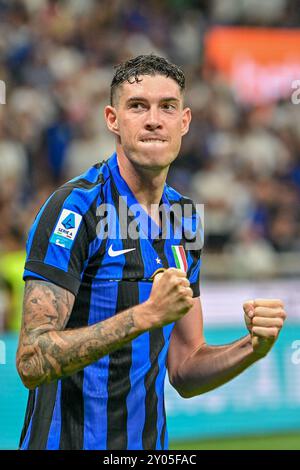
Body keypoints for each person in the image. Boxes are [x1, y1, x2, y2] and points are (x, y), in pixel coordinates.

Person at [16, 54, 287, 450]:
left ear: (185, 121)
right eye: (138, 106)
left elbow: (185, 366)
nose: (154, 120)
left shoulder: (185, 218)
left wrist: (252, 348)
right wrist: (145, 315)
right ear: (112, 119)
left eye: (167, 107)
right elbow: (31, 359)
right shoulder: (74, 209)